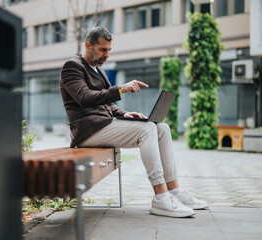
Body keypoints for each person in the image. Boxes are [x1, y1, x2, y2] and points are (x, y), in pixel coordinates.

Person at [59, 27, 208, 218]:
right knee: (146, 130)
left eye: (109, 50)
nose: (107, 54)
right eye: (103, 49)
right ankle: (161, 197)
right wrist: (121, 89)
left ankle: (174, 190)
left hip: (104, 124)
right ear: (88, 45)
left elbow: (108, 105)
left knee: (161, 128)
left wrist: (125, 114)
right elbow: (85, 98)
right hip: (87, 131)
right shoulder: (72, 67)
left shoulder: (99, 70)